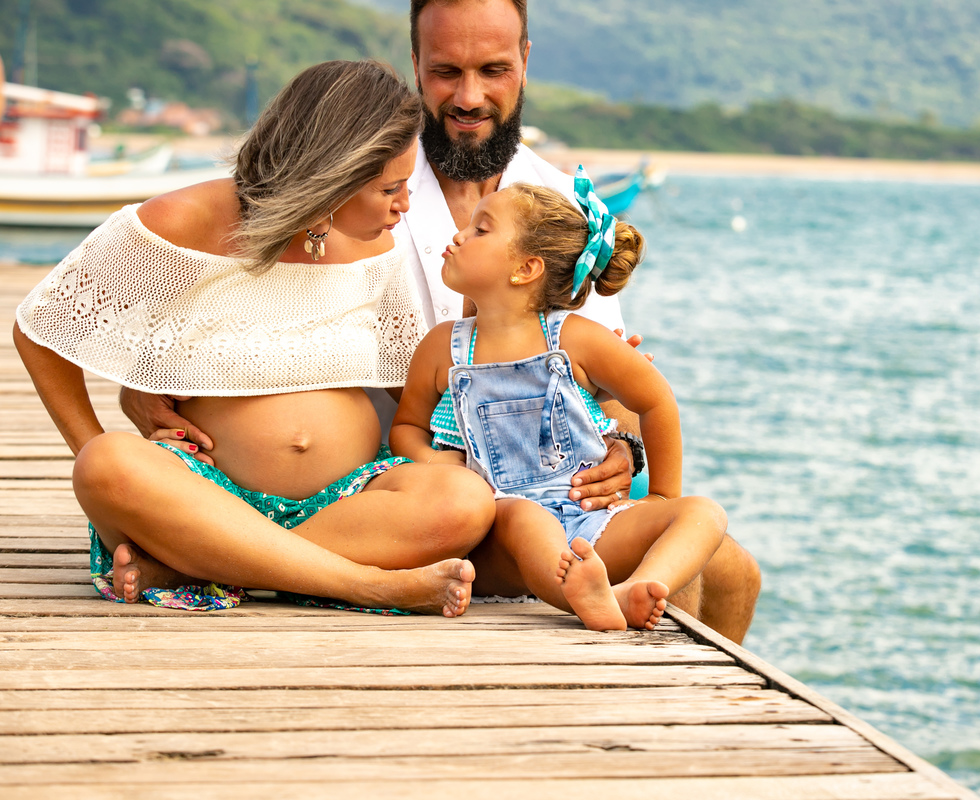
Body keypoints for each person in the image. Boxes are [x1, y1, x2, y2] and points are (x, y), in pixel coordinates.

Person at [13, 60, 489, 616]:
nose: (404, 204)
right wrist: (96, 431)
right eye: (390, 187)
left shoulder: (374, 249)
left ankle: (205, 565)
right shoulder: (184, 221)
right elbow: (40, 328)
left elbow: (407, 389)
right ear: (335, 170)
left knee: (463, 500)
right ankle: (363, 584)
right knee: (105, 464)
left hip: (344, 502)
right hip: (205, 494)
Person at [400, 0, 762, 642]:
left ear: (526, 62)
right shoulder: (372, 191)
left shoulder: (562, 207)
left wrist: (627, 450)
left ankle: (702, 723)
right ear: (415, 63)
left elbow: (613, 387)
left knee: (735, 568)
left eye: (494, 69)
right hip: (446, 499)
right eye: (445, 71)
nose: (469, 95)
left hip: (568, 496)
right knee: (704, 572)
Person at [393, 177, 727, 631]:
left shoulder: (575, 339)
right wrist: (434, 461)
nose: (459, 236)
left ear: (526, 269)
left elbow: (656, 400)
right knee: (524, 517)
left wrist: (661, 496)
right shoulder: (443, 349)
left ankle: (637, 588)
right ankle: (581, 597)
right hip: (499, 537)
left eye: (481, 230)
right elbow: (406, 428)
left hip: (591, 521)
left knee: (704, 513)